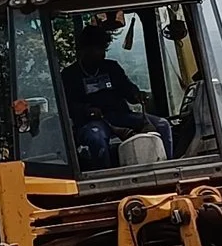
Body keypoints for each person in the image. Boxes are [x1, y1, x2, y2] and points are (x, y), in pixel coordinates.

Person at [62, 20, 154, 164]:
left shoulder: (112, 67)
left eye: (103, 49)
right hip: (92, 123)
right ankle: (104, 174)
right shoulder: (70, 75)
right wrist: (86, 110)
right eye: (97, 49)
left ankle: (168, 165)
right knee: (95, 138)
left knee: (162, 125)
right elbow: (67, 105)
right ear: (84, 50)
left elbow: (127, 88)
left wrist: (137, 95)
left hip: (122, 116)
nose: (102, 54)